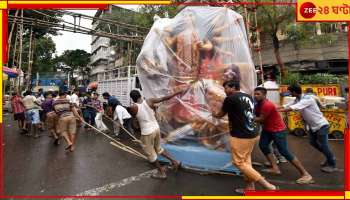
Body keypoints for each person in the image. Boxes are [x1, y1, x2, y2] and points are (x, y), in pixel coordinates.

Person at [212, 80, 277, 193]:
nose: (225, 91)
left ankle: (268, 186)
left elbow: (220, 114)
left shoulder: (230, 98)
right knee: (246, 161)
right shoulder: (248, 96)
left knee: (238, 162)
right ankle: (250, 187)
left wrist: (214, 113)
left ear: (233, 87)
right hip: (253, 133)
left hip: (241, 135)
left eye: (226, 88)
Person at [254, 87, 313, 184]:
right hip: (268, 129)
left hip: (278, 130)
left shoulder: (267, 105)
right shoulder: (259, 104)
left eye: (258, 94)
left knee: (284, 151)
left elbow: (260, 119)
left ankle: (306, 174)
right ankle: (275, 167)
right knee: (263, 145)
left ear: (264, 95)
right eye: (255, 94)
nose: (255, 96)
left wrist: (247, 117)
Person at [278, 84, 337, 173]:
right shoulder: (297, 99)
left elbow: (292, 108)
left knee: (324, 145)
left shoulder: (307, 99)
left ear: (294, 92)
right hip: (313, 126)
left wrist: (274, 110)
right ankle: (329, 156)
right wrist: (275, 108)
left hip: (321, 125)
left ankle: (332, 164)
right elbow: (286, 105)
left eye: (290, 92)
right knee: (313, 142)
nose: (289, 93)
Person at [129, 89, 183, 179]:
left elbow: (135, 125)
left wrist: (136, 124)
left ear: (132, 99)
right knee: (158, 149)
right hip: (156, 128)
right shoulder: (150, 101)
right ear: (140, 95)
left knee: (151, 154)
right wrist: (177, 92)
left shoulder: (133, 107)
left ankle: (161, 173)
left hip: (147, 132)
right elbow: (165, 98)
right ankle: (175, 161)